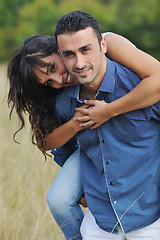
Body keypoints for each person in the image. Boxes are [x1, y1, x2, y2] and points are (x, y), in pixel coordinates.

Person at [7, 32, 160, 240]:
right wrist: (76, 123)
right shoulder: (62, 97)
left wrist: (108, 111)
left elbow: (156, 78)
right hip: (93, 141)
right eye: (48, 83)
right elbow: (46, 141)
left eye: (53, 68)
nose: (58, 81)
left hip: (135, 128)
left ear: (59, 48)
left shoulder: (107, 43)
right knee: (59, 199)